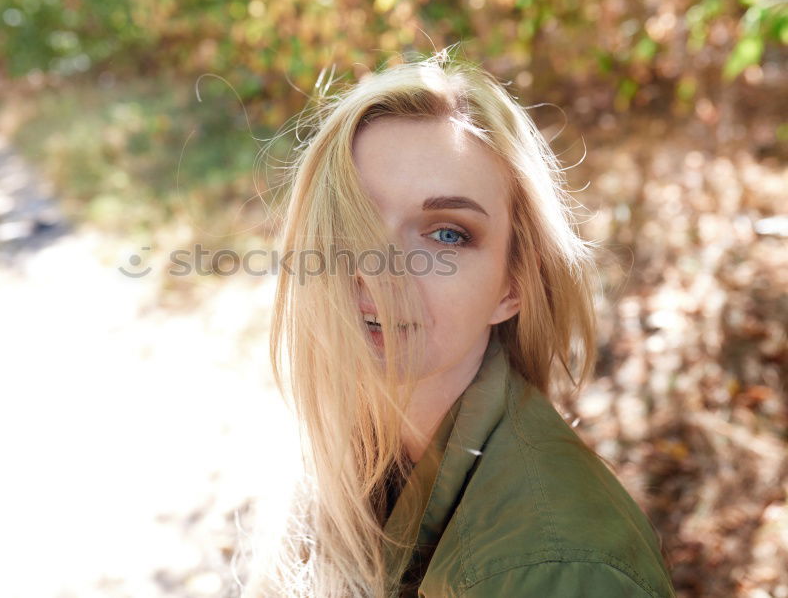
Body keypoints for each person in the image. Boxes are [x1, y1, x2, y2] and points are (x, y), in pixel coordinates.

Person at [241, 49, 676, 597]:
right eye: (353, 221)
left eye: (447, 234)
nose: (380, 273)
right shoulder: (342, 458)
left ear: (513, 285)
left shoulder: (554, 569)